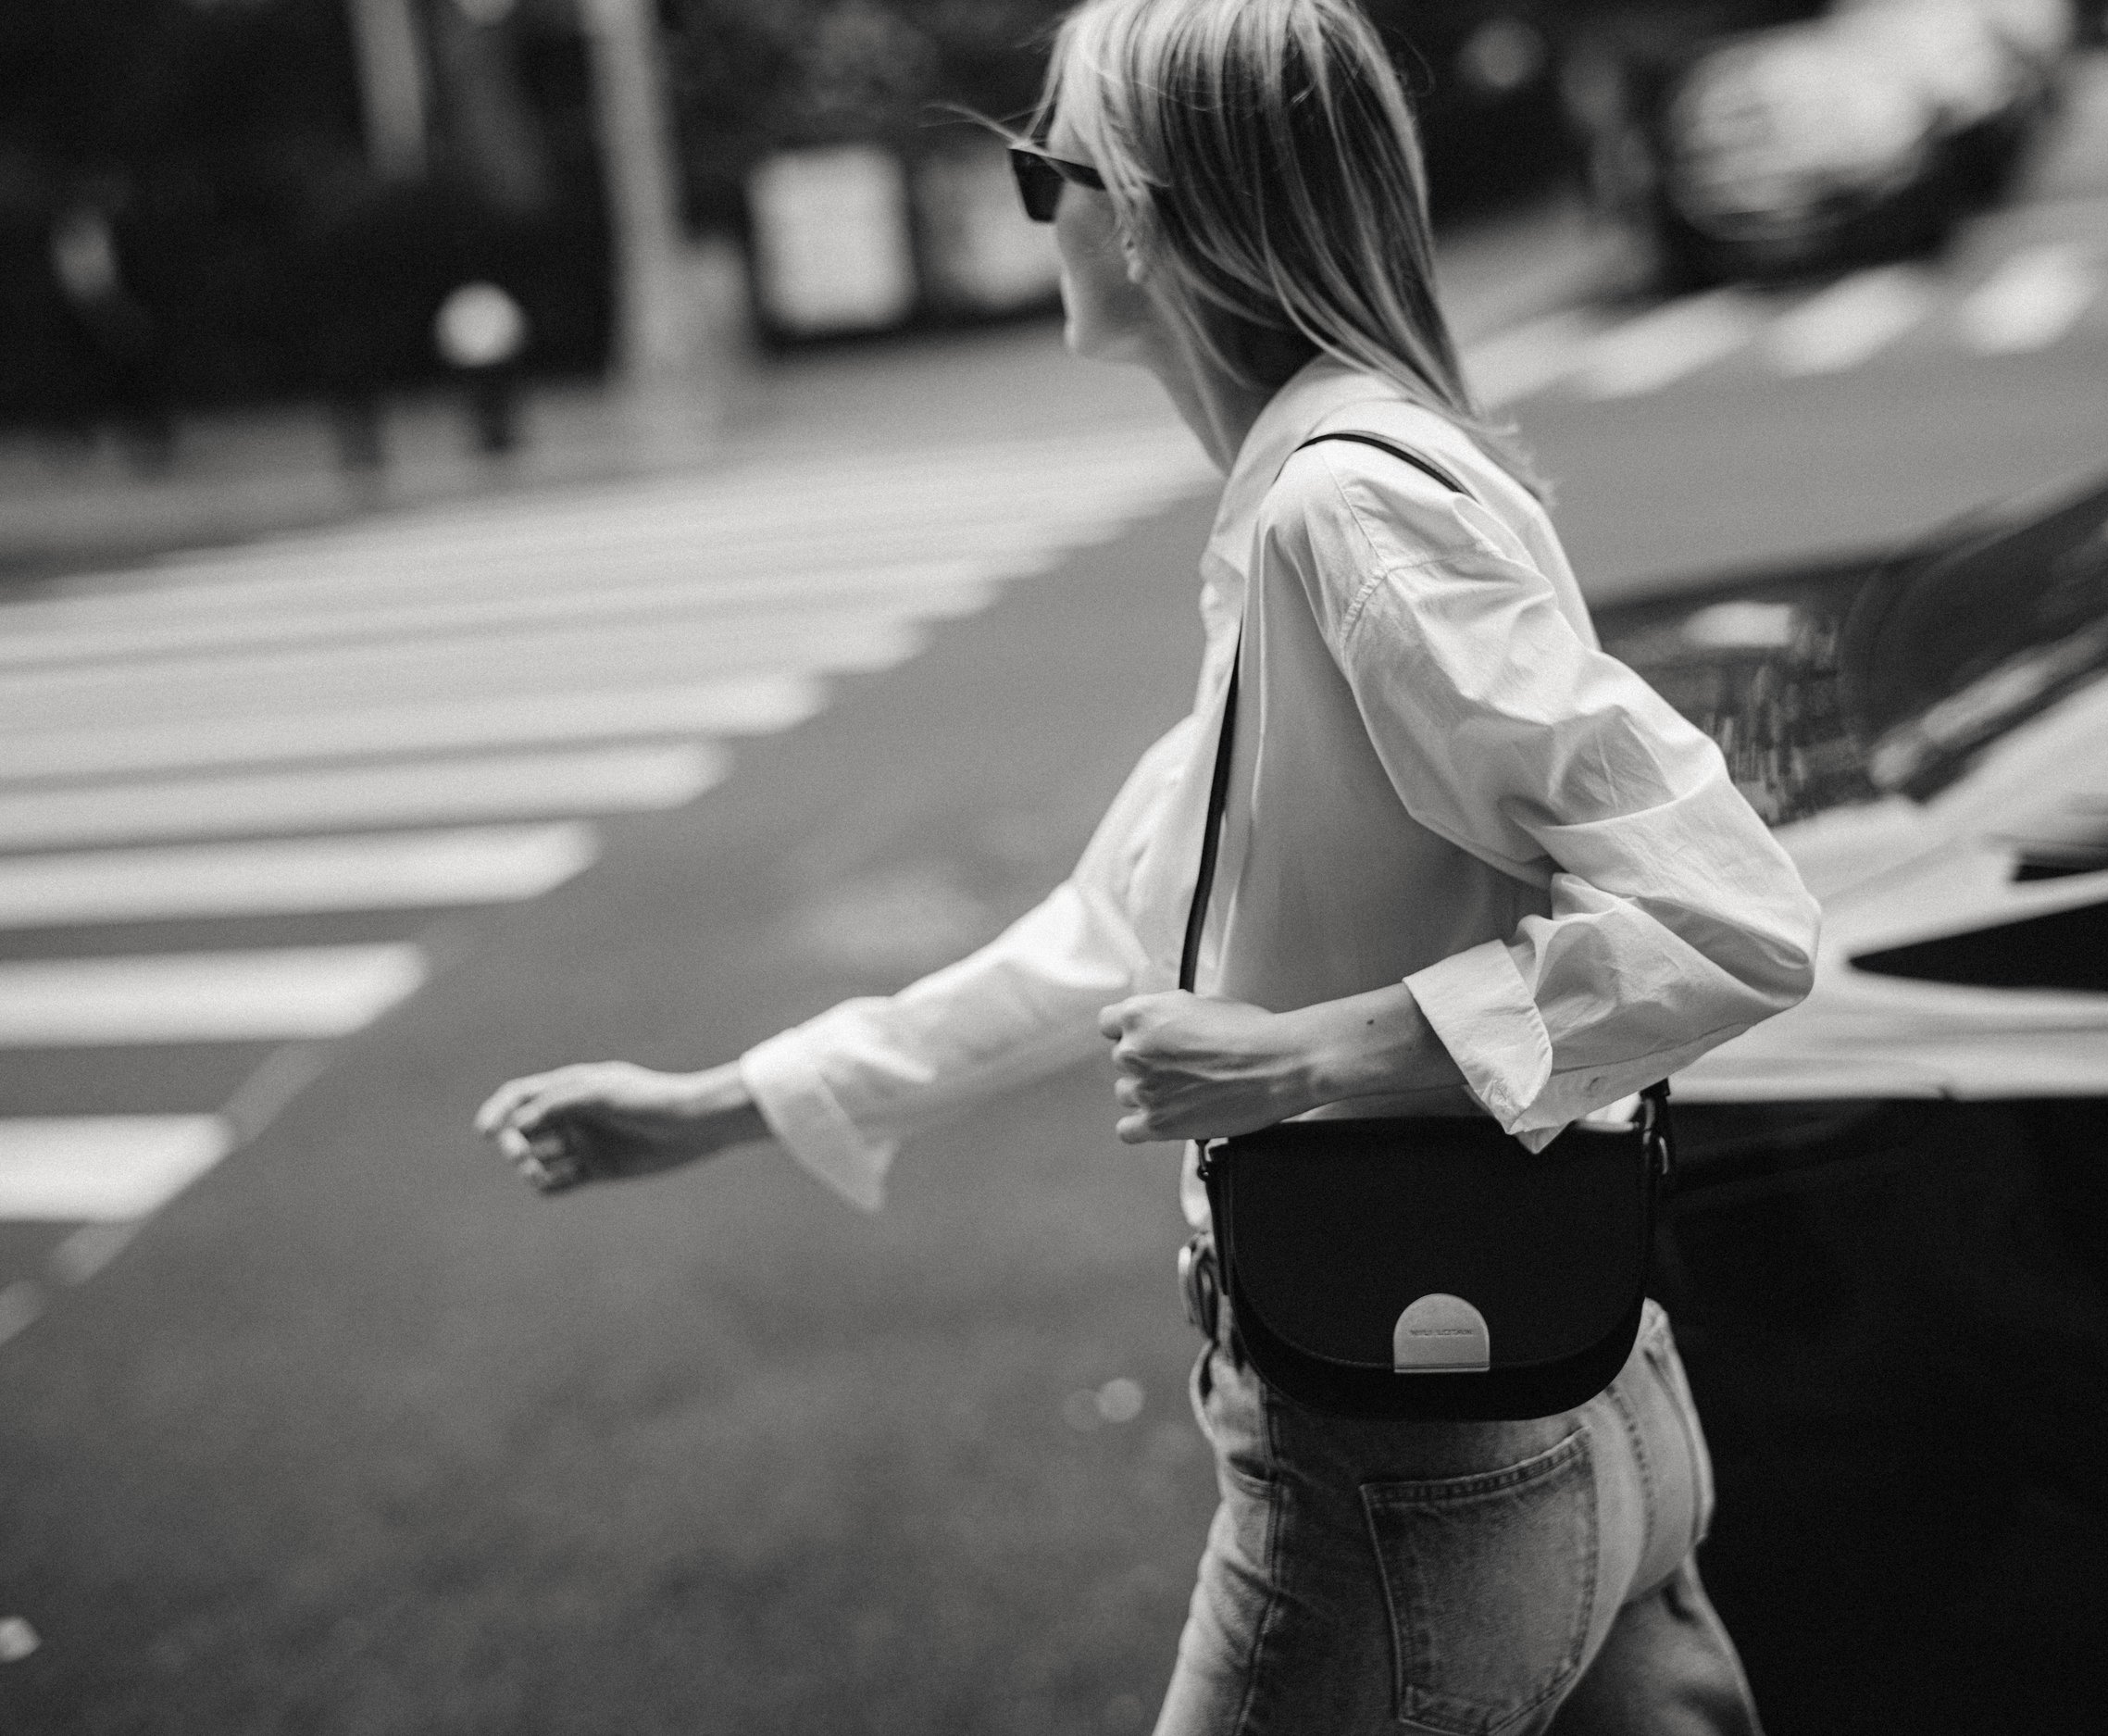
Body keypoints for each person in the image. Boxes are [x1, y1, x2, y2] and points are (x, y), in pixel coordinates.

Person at [476, 1, 1819, 1728]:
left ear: (1159, 212)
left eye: (1052, 170)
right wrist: (720, 1102)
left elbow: (1727, 915)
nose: (1038, 209)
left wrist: (1315, 1055)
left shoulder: (1344, 511)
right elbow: (1105, 931)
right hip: (1573, 1395)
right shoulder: (1314, 505)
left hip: (1408, 1459)